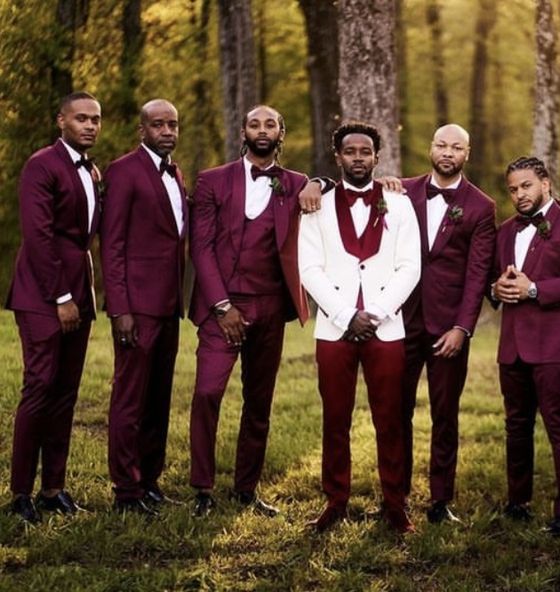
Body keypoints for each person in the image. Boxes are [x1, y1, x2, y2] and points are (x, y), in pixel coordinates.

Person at [188, 105, 313, 517]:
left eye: (271, 124)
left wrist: (320, 180)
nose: (263, 131)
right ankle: (202, 489)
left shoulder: (296, 185)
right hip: (221, 306)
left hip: (271, 308)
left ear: (282, 133)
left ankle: (246, 488)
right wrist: (221, 305)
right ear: (242, 131)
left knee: (259, 401)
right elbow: (200, 248)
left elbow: (343, 189)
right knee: (208, 393)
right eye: (255, 124)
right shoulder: (211, 181)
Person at [298, 122, 421, 534]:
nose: (357, 158)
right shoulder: (316, 205)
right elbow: (309, 268)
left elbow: (410, 267)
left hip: (386, 329)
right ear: (338, 157)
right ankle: (336, 500)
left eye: (365, 151)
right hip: (335, 329)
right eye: (349, 151)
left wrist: (379, 312)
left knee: (390, 418)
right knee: (336, 418)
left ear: (376, 156)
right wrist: (344, 314)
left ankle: (395, 503)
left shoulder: (398, 204)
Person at [5, 91, 102, 522]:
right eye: (81, 118)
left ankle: (54, 489)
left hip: (81, 291)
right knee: (39, 388)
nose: (90, 126)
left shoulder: (94, 170)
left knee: (66, 394)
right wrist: (61, 296)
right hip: (44, 294)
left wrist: (80, 295)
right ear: (60, 121)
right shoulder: (41, 165)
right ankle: (20, 493)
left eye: (95, 119)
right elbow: (39, 237)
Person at [490, 156, 560, 535]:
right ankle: (518, 502)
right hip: (512, 347)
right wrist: (496, 289)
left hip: (555, 347)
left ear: (546, 183)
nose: (519, 194)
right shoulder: (504, 231)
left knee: (559, 427)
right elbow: (495, 281)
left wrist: (534, 289)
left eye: (526, 186)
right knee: (516, 427)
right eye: (513, 189)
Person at [400, 124, 496, 523]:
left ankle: (440, 500)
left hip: (448, 328)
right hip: (400, 320)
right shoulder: (401, 192)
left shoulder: (481, 206)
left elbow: (477, 275)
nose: (447, 152)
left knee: (445, 414)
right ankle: (396, 494)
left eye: (456, 147)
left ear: (466, 154)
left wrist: (463, 328)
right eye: (441, 144)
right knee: (395, 411)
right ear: (430, 147)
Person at [100, 99, 187, 515]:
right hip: (136, 306)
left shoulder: (176, 172)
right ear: (142, 130)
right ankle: (126, 490)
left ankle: (150, 481)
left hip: (169, 306)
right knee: (130, 400)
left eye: (172, 124)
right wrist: (120, 308)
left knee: (159, 398)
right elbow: (111, 245)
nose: (167, 131)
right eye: (158, 124)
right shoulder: (123, 171)